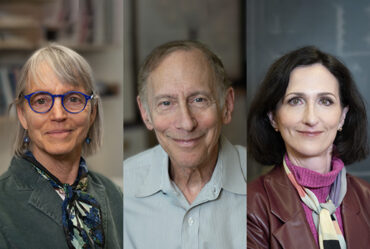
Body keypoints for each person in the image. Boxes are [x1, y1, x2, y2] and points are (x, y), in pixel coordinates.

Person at [124, 40, 246, 249]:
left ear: (227, 105)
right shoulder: (121, 192)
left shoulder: (265, 185)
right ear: (146, 114)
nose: (186, 123)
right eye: (166, 103)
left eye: (199, 100)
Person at [0, 44, 122, 249]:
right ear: (22, 115)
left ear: (92, 112)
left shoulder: (114, 196)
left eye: (73, 99)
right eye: (41, 101)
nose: (58, 115)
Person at [247, 46, 370, 249]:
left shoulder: (367, 198)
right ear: (273, 118)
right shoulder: (249, 207)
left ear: (342, 117)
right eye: (295, 101)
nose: (311, 118)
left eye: (325, 101)